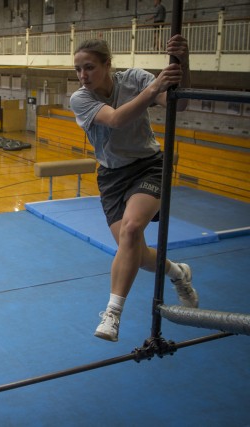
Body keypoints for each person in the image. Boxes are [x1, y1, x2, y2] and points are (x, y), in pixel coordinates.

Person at [69, 34, 198, 342]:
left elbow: (176, 105)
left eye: (89, 67)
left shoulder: (135, 79)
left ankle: (112, 315)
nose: (83, 76)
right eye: (78, 69)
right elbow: (115, 119)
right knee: (136, 254)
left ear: (107, 65)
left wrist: (183, 62)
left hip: (148, 166)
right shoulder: (81, 98)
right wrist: (154, 88)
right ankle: (177, 272)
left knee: (130, 230)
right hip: (112, 177)